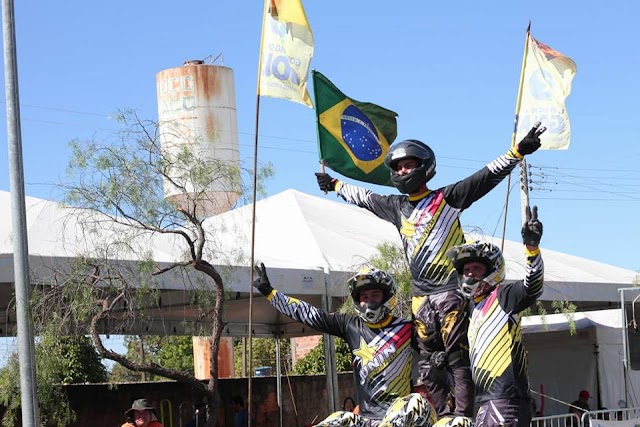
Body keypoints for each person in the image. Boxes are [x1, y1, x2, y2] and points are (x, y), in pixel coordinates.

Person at [315, 123, 546, 420]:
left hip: (451, 292)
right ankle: (437, 417)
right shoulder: (396, 207)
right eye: (396, 168)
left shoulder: (447, 198)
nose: (401, 172)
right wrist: (334, 185)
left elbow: (484, 177)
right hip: (419, 298)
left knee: (456, 357)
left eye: (407, 165)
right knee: (427, 362)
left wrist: (517, 152)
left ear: (425, 168)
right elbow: (365, 197)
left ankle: (462, 416)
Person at [253, 263, 435, 426]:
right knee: (337, 419)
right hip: (366, 420)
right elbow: (310, 314)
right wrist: (270, 293)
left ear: (387, 296)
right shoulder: (350, 325)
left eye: (375, 295)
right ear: (357, 300)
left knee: (416, 403)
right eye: (364, 296)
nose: (369, 301)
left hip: (400, 418)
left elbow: (435, 350)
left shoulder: (408, 328)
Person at [444, 205, 545, 427]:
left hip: (506, 398)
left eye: (476, 269)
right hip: (484, 400)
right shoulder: (472, 308)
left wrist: (532, 248)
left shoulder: (503, 295)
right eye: (466, 271)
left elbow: (533, 286)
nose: (469, 275)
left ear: (491, 270)